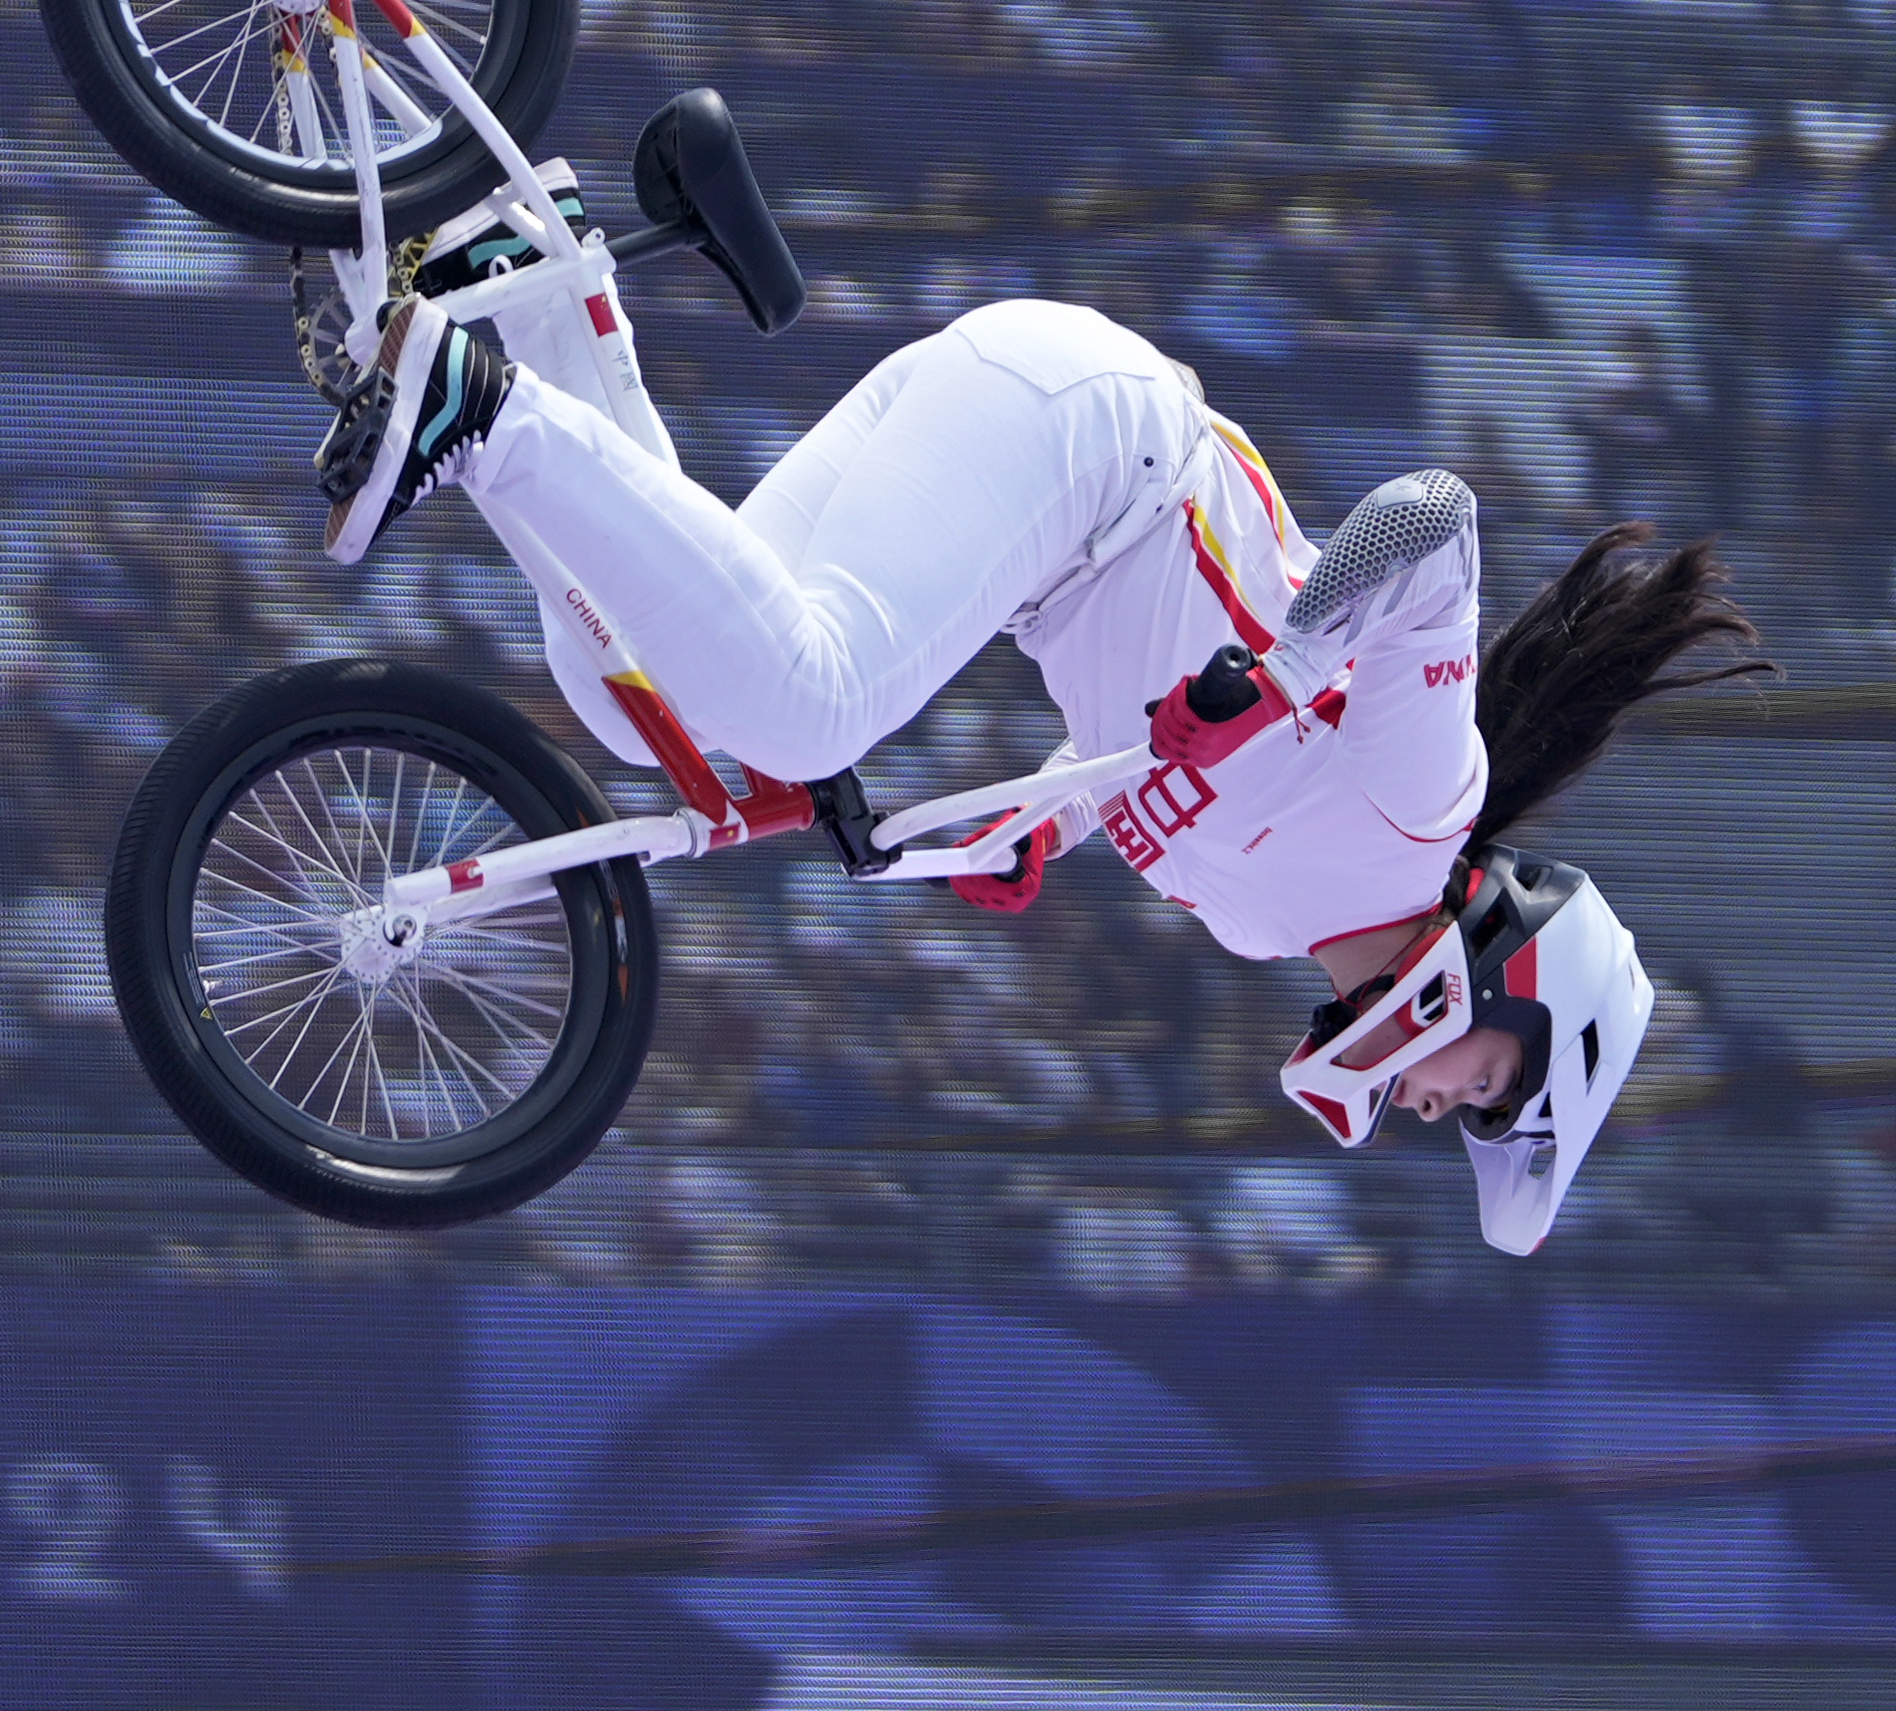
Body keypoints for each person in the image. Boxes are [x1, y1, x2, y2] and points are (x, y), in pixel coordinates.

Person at [305, 187, 1769, 1253]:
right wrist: (1282, 669)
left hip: (1034, 475)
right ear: (1515, 988)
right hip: (1092, 449)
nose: (1437, 1106)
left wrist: (1032, 833)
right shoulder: (1421, 810)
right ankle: (482, 404)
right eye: (1488, 1092)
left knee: (643, 707)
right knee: (808, 709)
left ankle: (525, 295)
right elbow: (1432, 519)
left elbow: (1137, 752)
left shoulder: (1262, 926)